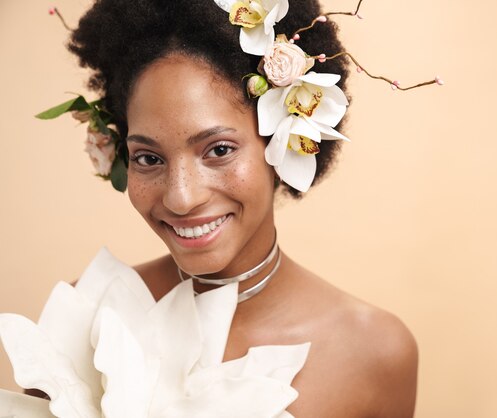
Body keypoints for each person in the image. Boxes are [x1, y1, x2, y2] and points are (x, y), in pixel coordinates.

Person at [1, 0, 418, 416]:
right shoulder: (83, 314)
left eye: (218, 150)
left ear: (285, 142)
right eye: (149, 158)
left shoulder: (375, 352)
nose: (181, 197)